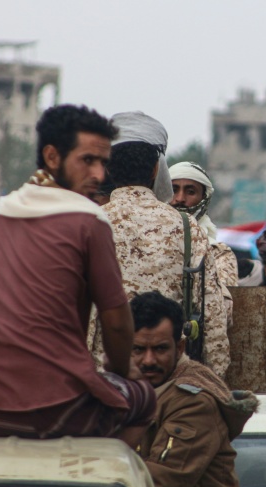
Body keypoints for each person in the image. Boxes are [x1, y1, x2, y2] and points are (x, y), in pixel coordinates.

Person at [0, 105, 155, 442]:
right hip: (60, 412)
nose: (99, 175)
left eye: (103, 163)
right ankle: (103, 476)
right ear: (52, 157)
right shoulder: (89, 222)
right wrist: (120, 371)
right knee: (143, 399)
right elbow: (116, 321)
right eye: (87, 161)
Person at [89, 112, 231, 379]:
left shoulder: (86, 226)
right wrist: (211, 391)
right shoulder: (188, 229)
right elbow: (214, 324)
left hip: (104, 385)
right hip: (171, 383)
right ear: (156, 169)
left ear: (108, 168)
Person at [132, 291, 257, 487]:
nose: (149, 360)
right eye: (139, 349)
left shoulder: (194, 401)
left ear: (179, 348)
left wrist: (94, 476)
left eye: (160, 349)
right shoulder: (135, 394)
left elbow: (159, 483)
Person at [169, 161, 239, 321]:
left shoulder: (219, 253)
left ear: (204, 198)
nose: (180, 199)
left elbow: (223, 311)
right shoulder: (149, 241)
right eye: (173, 190)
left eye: (190, 192)